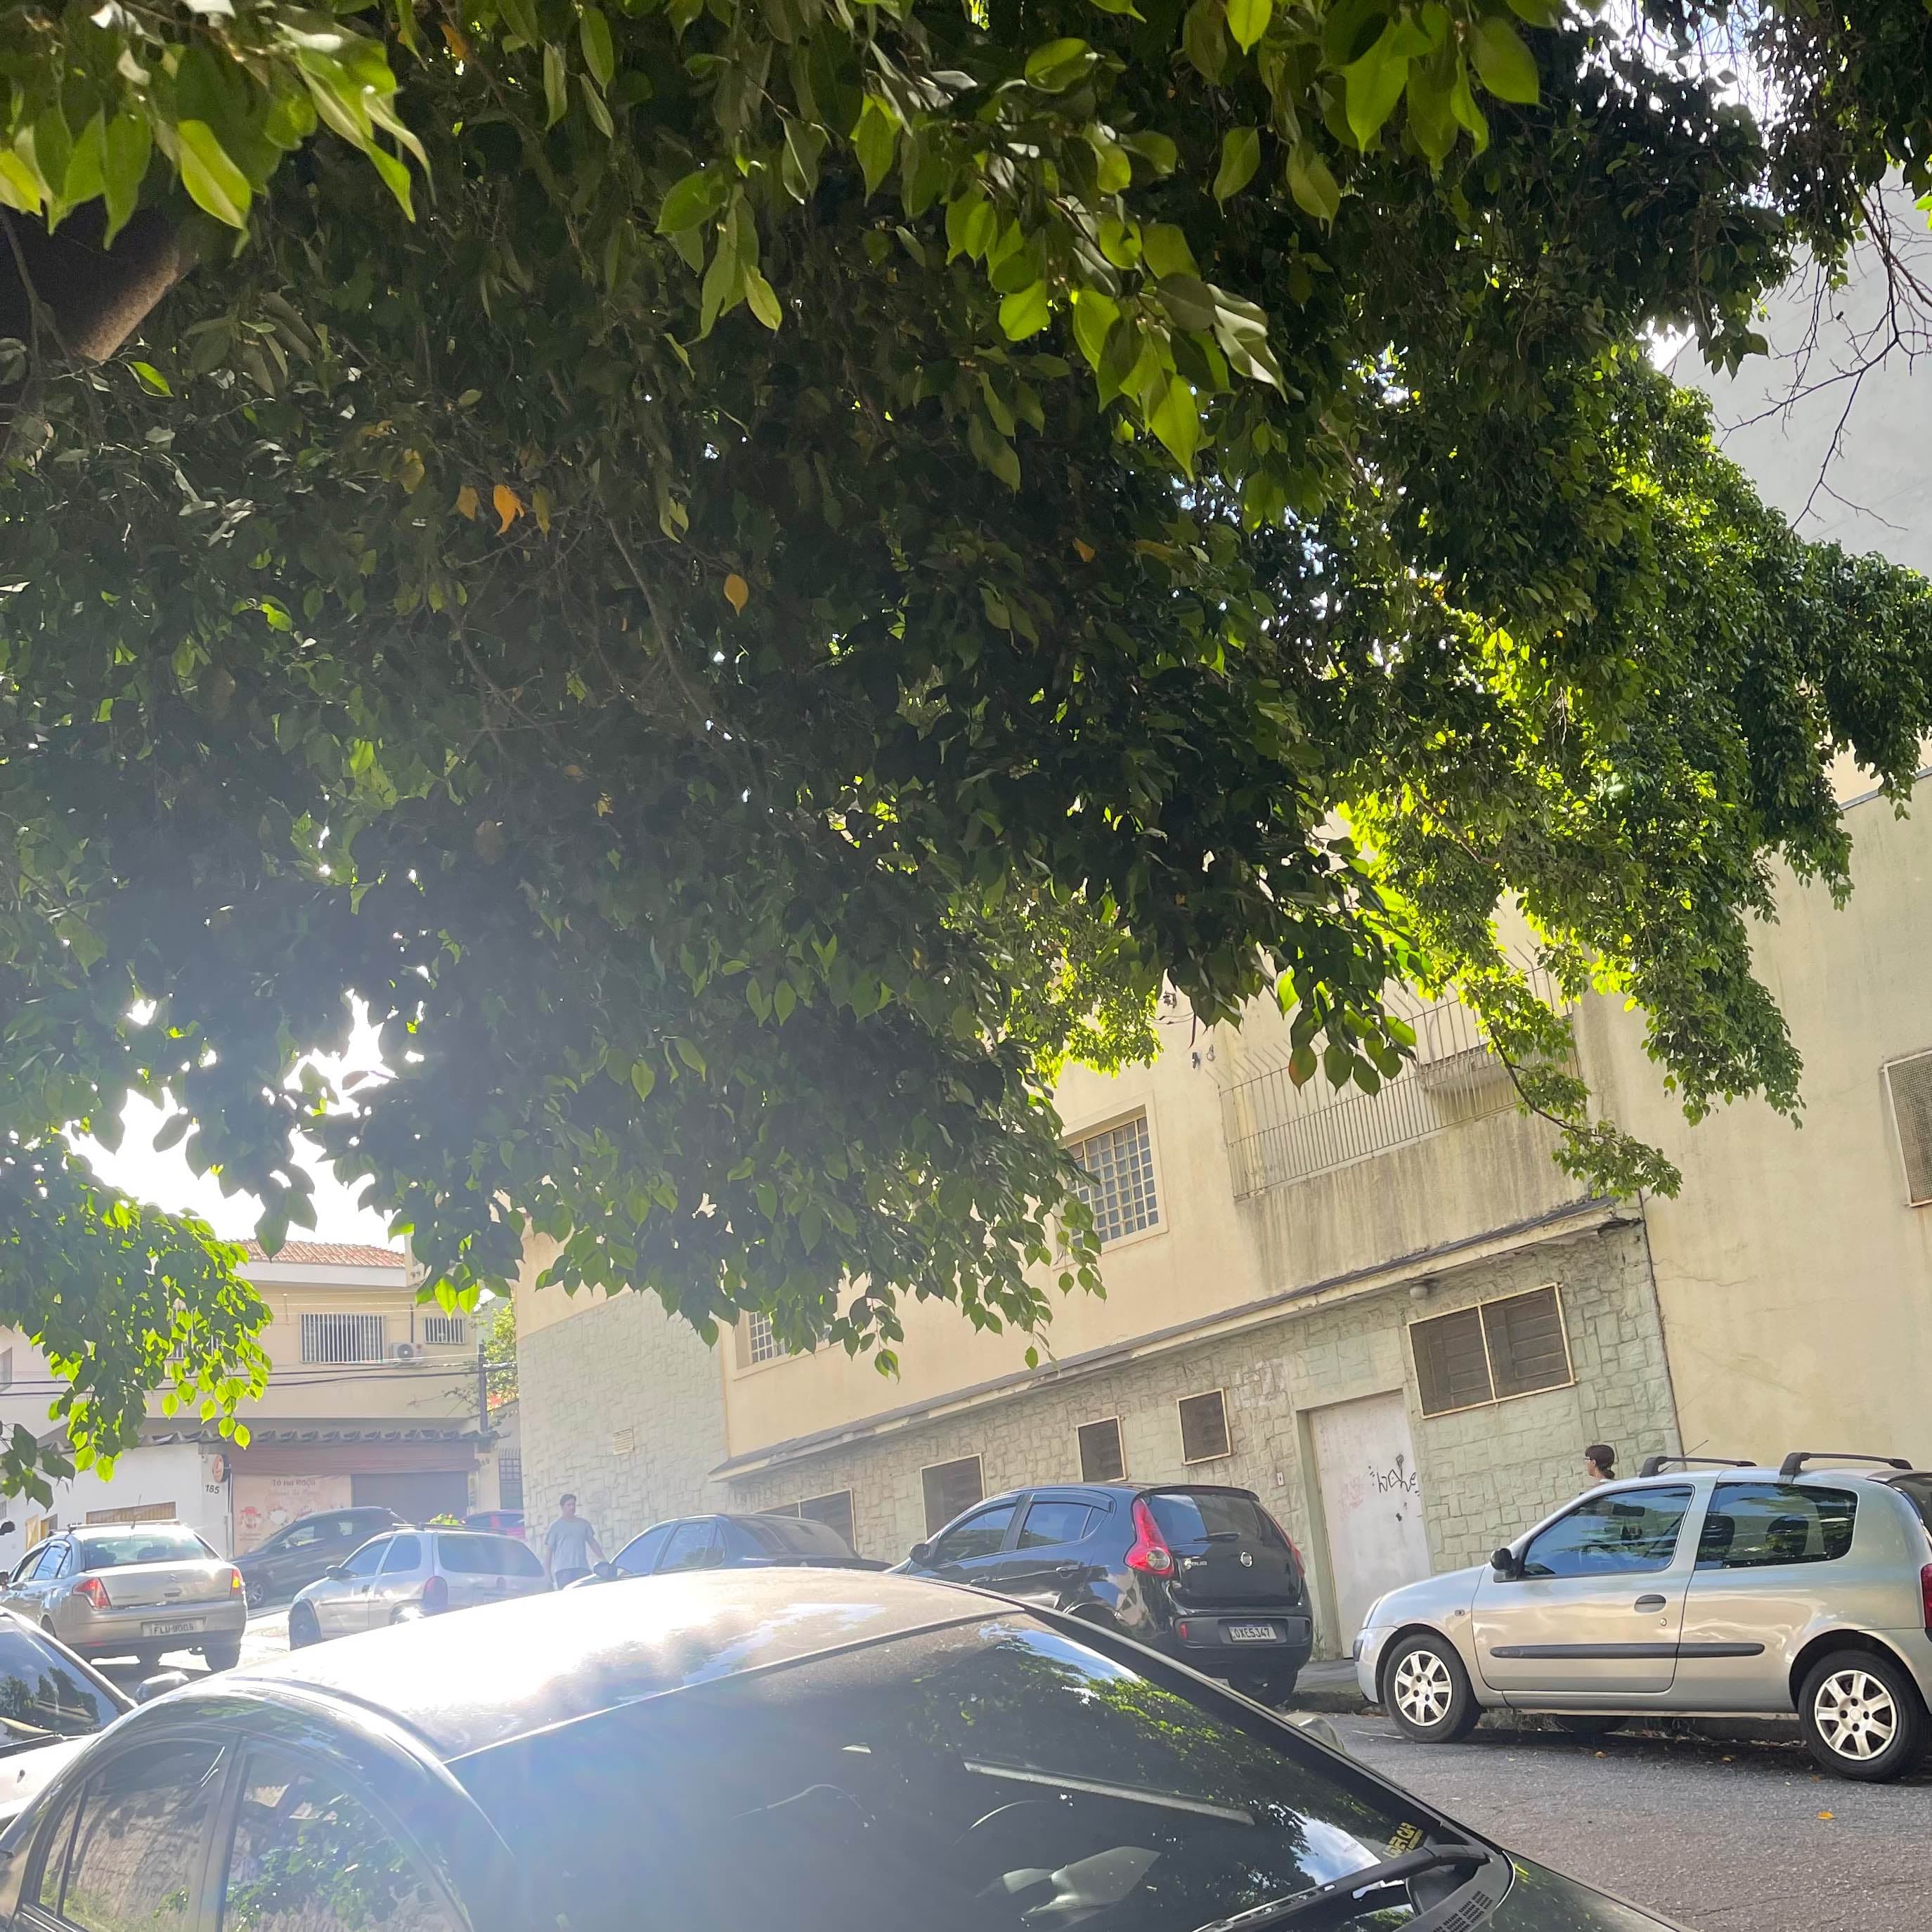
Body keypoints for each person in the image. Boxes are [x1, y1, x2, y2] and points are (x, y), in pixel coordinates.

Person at [543, 1493, 605, 1588]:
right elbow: (549, 1550)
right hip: (563, 1571)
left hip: (582, 1569)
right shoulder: (555, 1527)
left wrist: (603, 1560)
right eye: (569, 1505)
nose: (572, 1507)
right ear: (562, 1507)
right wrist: (547, 1572)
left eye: (573, 1505)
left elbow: (593, 1543)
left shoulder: (584, 1524)